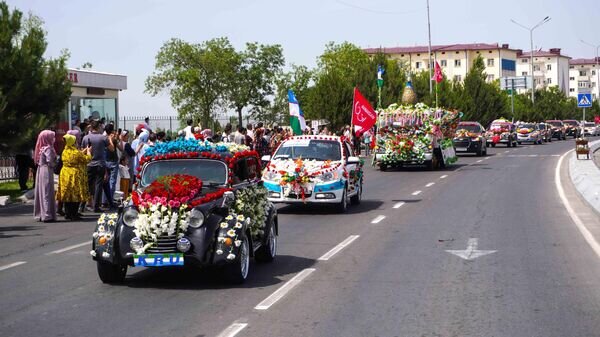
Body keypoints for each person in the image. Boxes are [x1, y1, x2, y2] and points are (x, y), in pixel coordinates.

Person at [57, 134, 91, 220]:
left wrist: (83, 151)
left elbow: (77, 156)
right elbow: (87, 159)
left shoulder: (65, 151)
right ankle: (74, 214)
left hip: (65, 174)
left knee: (68, 194)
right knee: (76, 194)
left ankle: (68, 213)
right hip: (74, 175)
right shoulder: (75, 152)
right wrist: (89, 152)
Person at [82, 120, 113, 212]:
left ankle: (82, 205)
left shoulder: (85, 138)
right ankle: (96, 206)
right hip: (100, 164)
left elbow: (82, 150)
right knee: (98, 185)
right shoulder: (103, 138)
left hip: (89, 163)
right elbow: (111, 149)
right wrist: (110, 139)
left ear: (91, 127)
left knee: (87, 185)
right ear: (99, 127)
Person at [33, 130, 57, 222]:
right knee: (47, 191)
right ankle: (47, 214)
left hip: (41, 170)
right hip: (47, 170)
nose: (54, 139)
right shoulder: (48, 148)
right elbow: (50, 162)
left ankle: (41, 213)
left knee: (41, 191)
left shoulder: (41, 147)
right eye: (52, 137)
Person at [102, 124, 119, 210]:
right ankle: (109, 200)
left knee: (106, 181)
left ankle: (105, 200)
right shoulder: (107, 139)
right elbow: (113, 148)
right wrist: (111, 140)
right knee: (111, 181)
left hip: (106, 161)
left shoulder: (102, 138)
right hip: (111, 161)